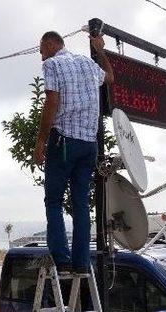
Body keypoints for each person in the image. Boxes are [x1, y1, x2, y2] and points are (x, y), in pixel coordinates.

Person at [33, 30, 114, 273]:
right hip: (89, 144)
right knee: (80, 203)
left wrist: (40, 142)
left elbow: (52, 103)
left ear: (50, 43)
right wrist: (100, 49)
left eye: (41, 48)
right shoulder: (88, 63)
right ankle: (81, 262)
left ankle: (62, 258)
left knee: (54, 201)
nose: (40, 55)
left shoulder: (52, 64)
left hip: (64, 142)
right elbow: (110, 77)